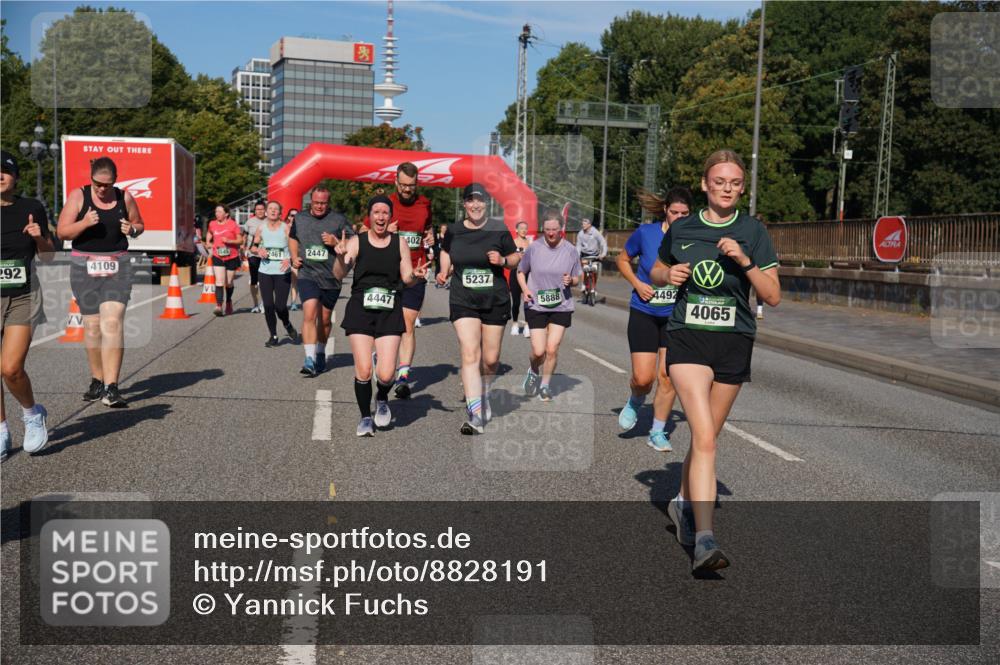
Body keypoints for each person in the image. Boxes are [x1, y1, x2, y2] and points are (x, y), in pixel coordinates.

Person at [650, 149, 780, 572]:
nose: (726, 188)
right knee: (704, 437)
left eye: (735, 182)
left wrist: (744, 261)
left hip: (734, 340)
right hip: (687, 339)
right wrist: (665, 276)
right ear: (705, 184)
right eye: (719, 181)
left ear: (743, 187)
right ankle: (705, 541)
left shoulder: (753, 231)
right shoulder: (684, 227)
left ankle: (681, 505)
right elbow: (656, 267)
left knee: (708, 439)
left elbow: (773, 295)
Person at [335, 195, 427, 435]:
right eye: (376, 212)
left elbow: (406, 277)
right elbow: (339, 273)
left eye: (385, 212)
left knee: (386, 374)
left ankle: (383, 398)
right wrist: (338, 256)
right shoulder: (357, 242)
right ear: (370, 215)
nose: (381, 217)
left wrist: (415, 275)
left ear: (390, 217)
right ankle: (365, 418)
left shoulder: (399, 243)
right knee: (364, 370)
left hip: (389, 308)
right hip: (360, 309)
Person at [57, 156, 144, 408]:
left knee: (113, 322)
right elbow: (62, 232)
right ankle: (97, 380)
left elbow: (140, 223)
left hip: (118, 265)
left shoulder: (124, 197)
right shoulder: (79, 196)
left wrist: (133, 229)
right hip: (84, 267)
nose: (102, 189)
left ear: (114, 181)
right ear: (91, 179)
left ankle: (111, 387)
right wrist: (84, 223)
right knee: (93, 327)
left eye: (107, 185)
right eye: (98, 184)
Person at [436, 183, 520, 434]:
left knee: (491, 360)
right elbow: (446, 252)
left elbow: (516, 258)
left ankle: (482, 392)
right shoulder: (454, 230)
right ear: (464, 204)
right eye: (470, 201)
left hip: (494, 299)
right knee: (470, 353)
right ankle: (475, 412)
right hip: (463, 299)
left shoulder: (498, 229)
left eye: (480, 201)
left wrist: (503, 260)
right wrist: (443, 271)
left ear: (486, 204)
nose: (475, 205)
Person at [616, 186, 693, 452]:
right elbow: (623, 259)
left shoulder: (695, 238)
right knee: (643, 378)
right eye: (674, 212)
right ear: (665, 211)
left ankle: (657, 431)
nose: (679, 218)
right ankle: (636, 400)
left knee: (667, 376)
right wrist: (638, 283)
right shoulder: (646, 233)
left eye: (685, 213)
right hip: (645, 311)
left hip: (676, 315)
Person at [1, 150, 54, 457]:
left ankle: (32, 414)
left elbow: (48, 256)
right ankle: (2, 432)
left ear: (15, 176)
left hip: (22, 294)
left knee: (10, 368)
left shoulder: (31, 208)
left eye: (4, 170)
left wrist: (38, 236)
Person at [371, 163, 433, 400]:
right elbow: (367, 231)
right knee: (385, 323)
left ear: (417, 183)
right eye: (404, 185)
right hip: (387, 272)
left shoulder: (425, 204)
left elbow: (427, 229)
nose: (407, 190)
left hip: (415, 272)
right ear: (395, 182)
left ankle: (404, 376)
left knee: (407, 323)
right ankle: (384, 360)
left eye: (412, 185)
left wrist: (429, 235)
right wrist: (385, 230)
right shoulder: (385, 204)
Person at [289, 186, 354, 377]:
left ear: (328, 202)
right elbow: (292, 238)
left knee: (325, 320)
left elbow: (352, 242)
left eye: (323, 203)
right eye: (316, 203)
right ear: (311, 200)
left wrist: (336, 243)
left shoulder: (338, 219)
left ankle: (319, 352)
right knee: (309, 313)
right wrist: (294, 256)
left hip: (331, 275)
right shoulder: (300, 218)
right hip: (307, 273)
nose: (319, 206)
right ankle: (308, 359)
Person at [517, 210, 581, 401]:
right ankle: (533, 369)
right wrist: (525, 289)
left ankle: (545, 386)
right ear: (542, 229)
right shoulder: (534, 248)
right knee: (538, 351)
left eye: (554, 229)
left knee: (552, 348)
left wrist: (572, 280)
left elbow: (579, 277)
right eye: (547, 230)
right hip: (536, 304)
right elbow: (521, 271)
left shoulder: (570, 250)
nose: (551, 233)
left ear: (561, 229)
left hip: (561, 305)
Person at [253, 201, 298, 347]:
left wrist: (290, 258)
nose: (273, 211)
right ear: (266, 212)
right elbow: (253, 246)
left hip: (282, 271)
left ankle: (287, 323)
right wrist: (258, 250)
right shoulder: (261, 228)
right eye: (270, 209)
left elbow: (296, 246)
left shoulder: (287, 228)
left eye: (276, 209)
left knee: (280, 306)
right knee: (268, 305)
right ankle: (273, 335)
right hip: (265, 271)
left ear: (280, 213)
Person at [205, 204, 244, 316]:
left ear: (226, 214)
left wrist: (229, 241)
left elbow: (240, 240)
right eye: (216, 211)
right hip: (218, 256)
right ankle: (218, 305)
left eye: (220, 212)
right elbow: (209, 232)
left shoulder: (233, 225)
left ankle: (228, 301)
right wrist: (208, 242)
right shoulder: (212, 224)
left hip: (231, 256)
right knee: (219, 281)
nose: (217, 214)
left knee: (229, 282)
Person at [575, 217, 607, 305]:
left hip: (595, 255)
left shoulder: (595, 232)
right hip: (585, 254)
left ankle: (593, 287)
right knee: (584, 268)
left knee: (594, 270)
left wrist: (603, 254)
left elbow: (603, 243)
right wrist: (577, 256)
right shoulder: (580, 234)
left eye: (585, 223)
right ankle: (584, 284)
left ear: (589, 224)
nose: (583, 225)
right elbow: (578, 246)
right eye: (582, 223)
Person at [508, 221, 531, 337]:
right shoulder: (512, 243)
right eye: (521, 228)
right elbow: (508, 259)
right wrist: (517, 257)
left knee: (528, 300)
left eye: (525, 228)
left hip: (528, 274)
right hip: (515, 273)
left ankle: (527, 325)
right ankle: (515, 324)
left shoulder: (530, 243)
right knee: (516, 302)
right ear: (516, 230)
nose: (523, 230)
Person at [244, 200, 267, 313]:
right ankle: (255, 304)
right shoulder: (249, 222)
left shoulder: (270, 221)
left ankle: (263, 303)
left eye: (262, 209)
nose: (260, 211)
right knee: (254, 279)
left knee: (264, 280)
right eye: (258, 209)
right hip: (253, 254)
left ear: (265, 210)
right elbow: (245, 236)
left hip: (266, 254)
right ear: (255, 211)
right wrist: (243, 249)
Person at [285, 208, 302, 311]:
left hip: (295, 256)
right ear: (288, 217)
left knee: (294, 279)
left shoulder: (301, 228)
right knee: (282, 281)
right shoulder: (283, 227)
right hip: (283, 257)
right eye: (291, 215)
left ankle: (293, 302)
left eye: (296, 215)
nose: (293, 217)